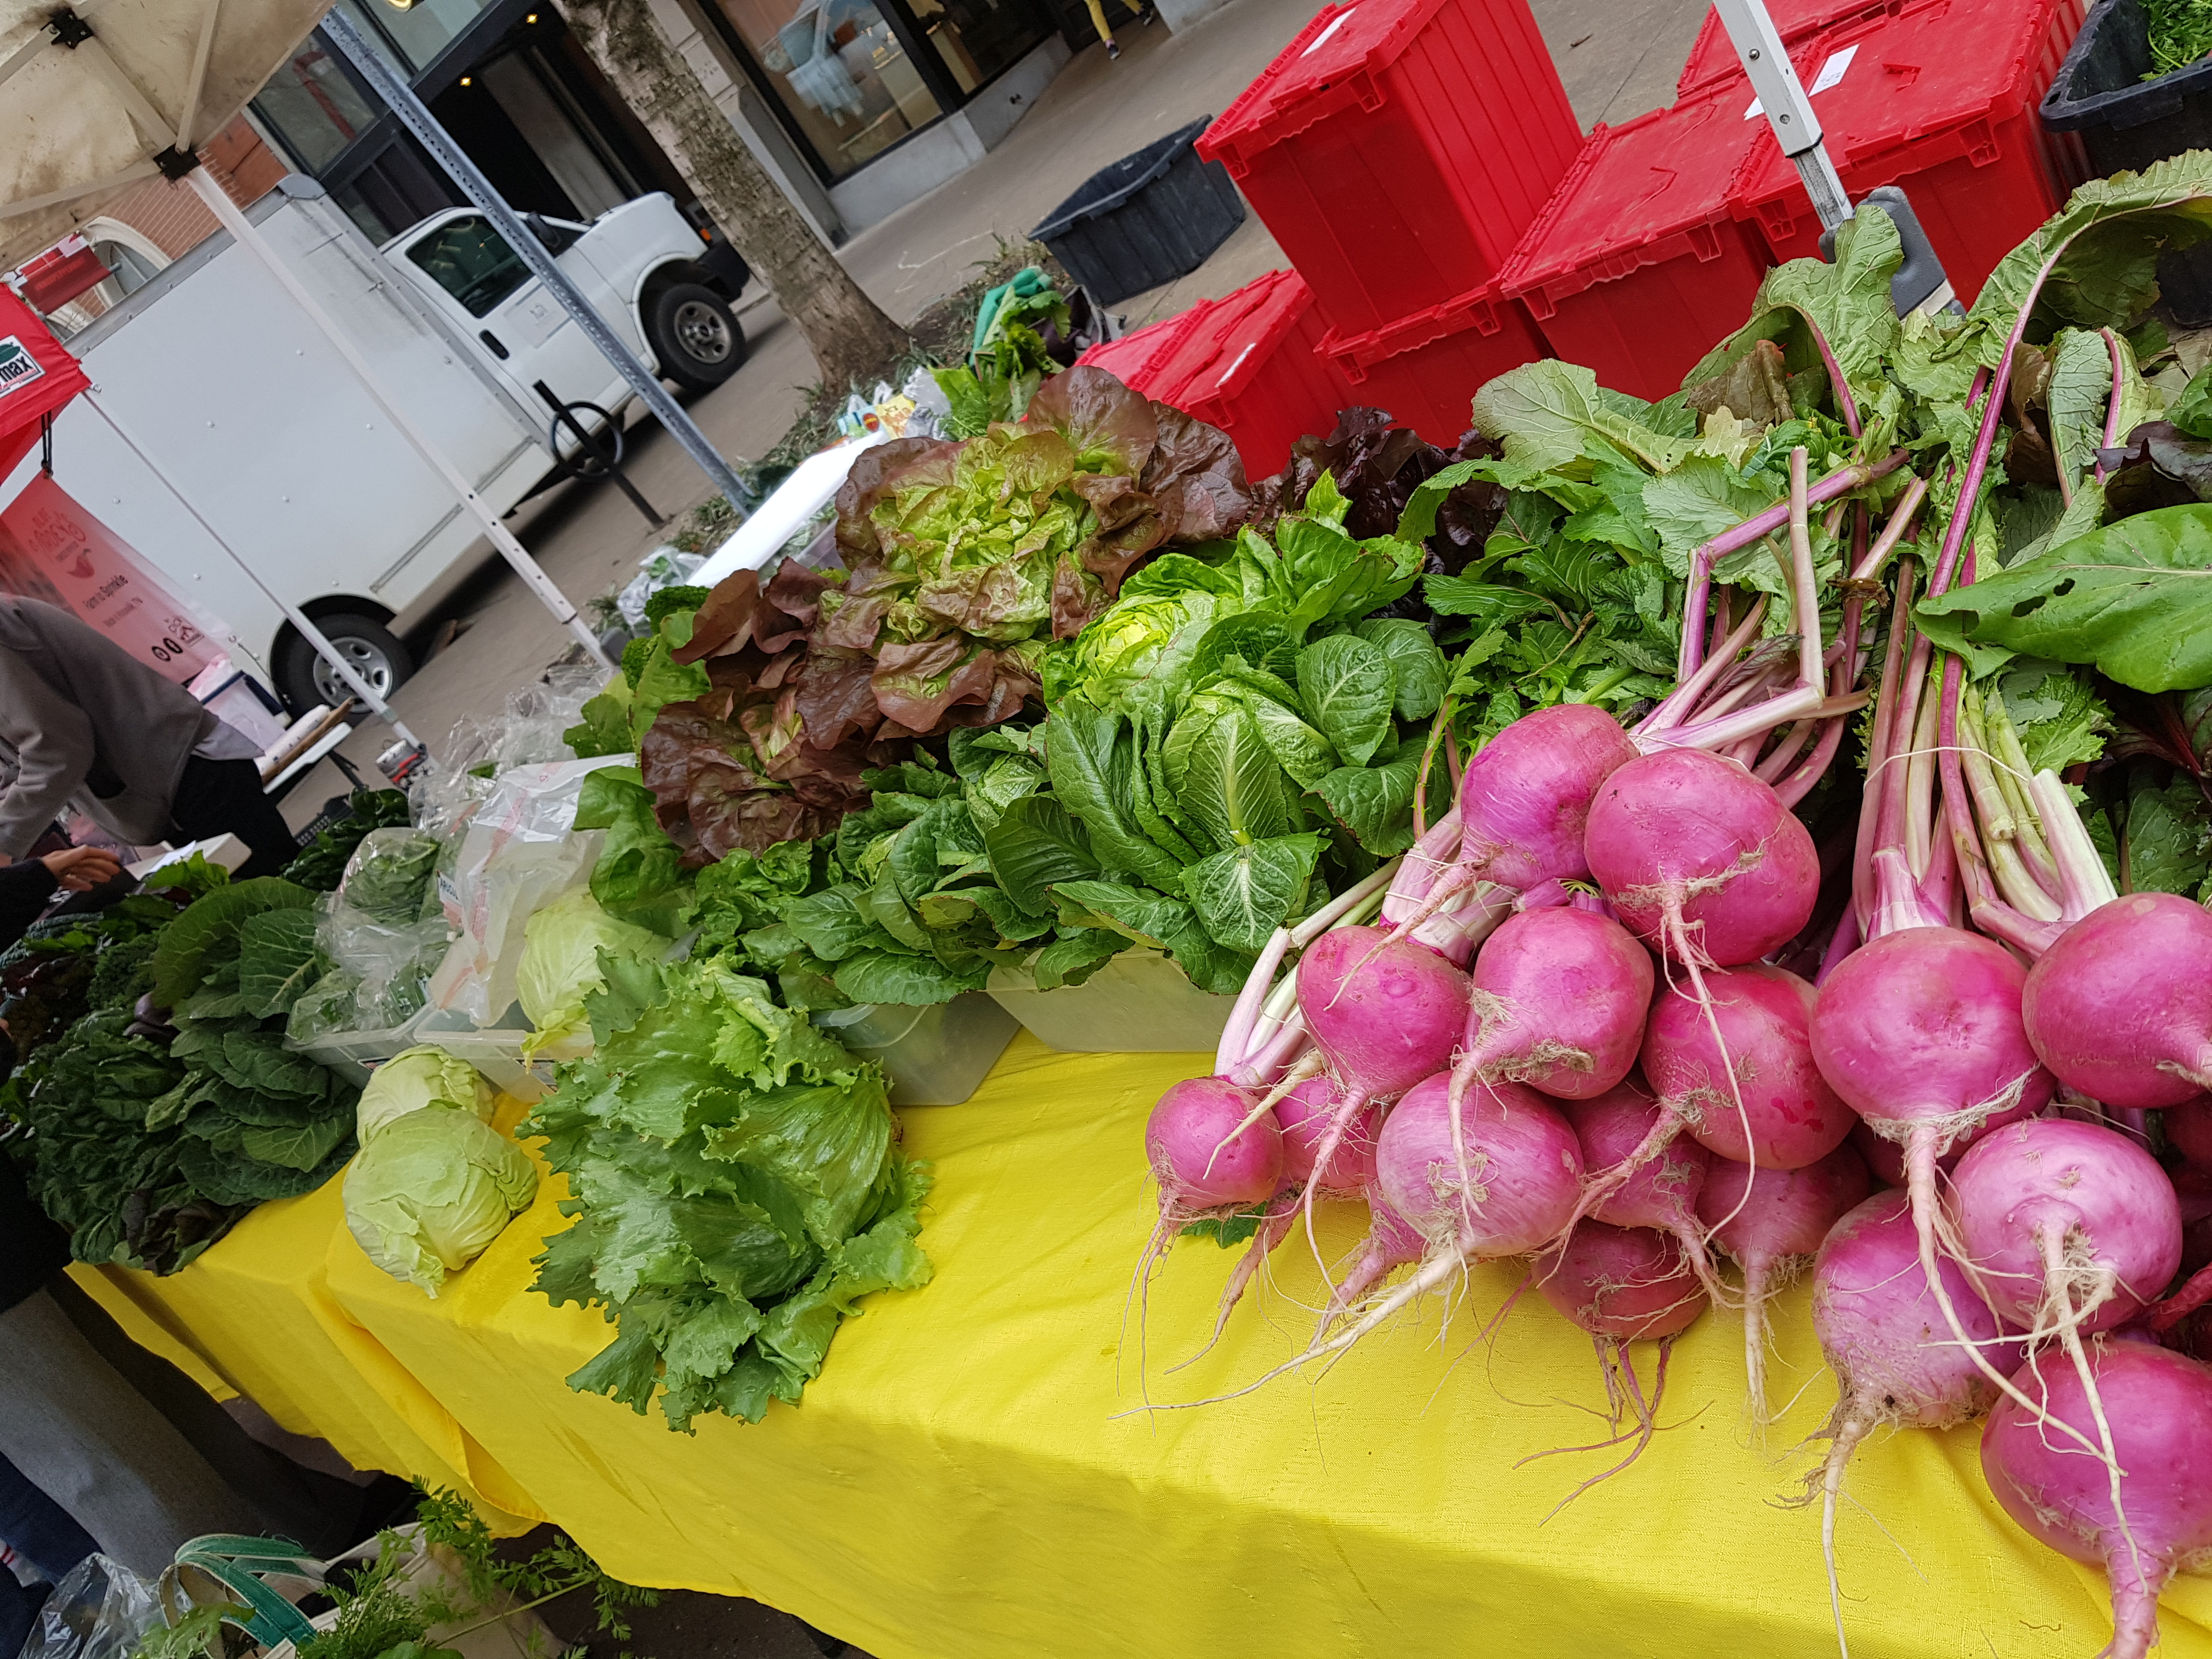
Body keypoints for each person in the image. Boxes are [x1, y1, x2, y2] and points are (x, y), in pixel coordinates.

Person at [0, 598, 298, 881]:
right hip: (165, 788)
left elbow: (58, 750)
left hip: (186, 774)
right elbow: (15, 762)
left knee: (286, 892)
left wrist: (6, 841)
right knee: (271, 901)